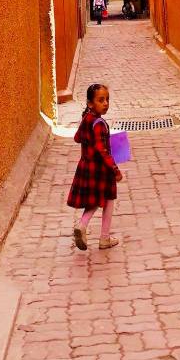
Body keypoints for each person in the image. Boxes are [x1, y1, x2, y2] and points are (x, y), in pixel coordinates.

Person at [67, 83, 122, 250]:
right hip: (101, 169)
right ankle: (103, 237)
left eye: (107, 99)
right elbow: (102, 150)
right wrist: (115, 169)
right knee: (108, 199)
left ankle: (83, 225)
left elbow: (77, 138)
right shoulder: (98, 123)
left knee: (97, 200)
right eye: (101, 100)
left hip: (86, 166)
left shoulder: (87, 119)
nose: (105, 103)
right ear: (90, 103)